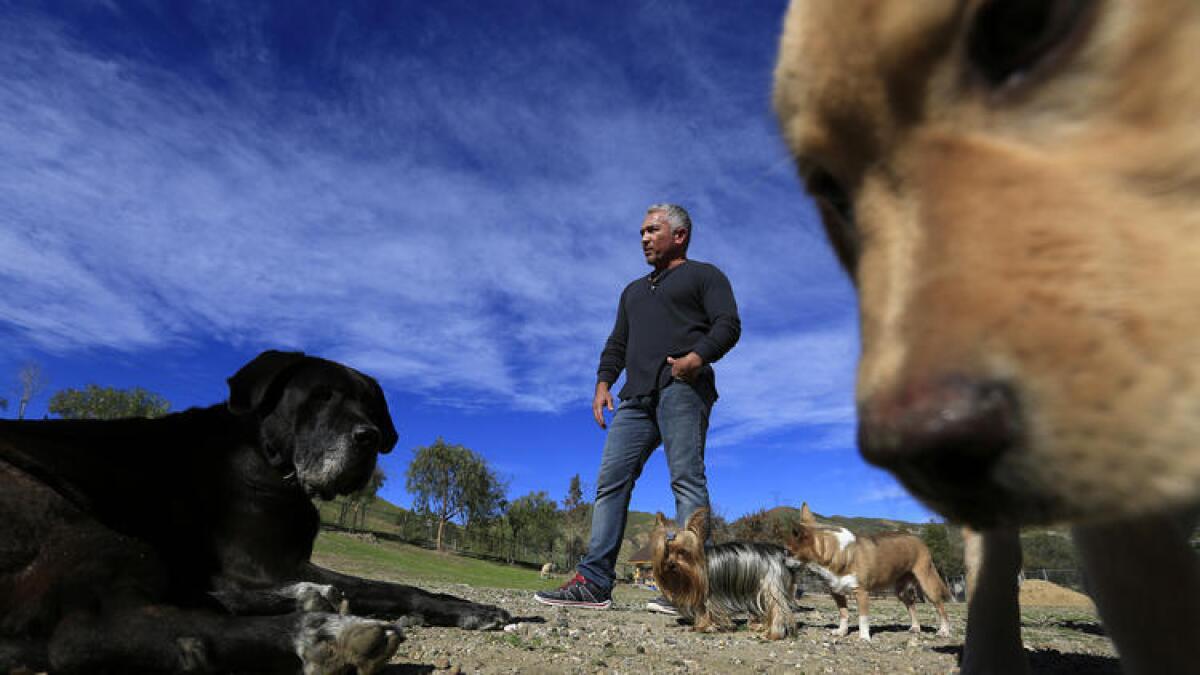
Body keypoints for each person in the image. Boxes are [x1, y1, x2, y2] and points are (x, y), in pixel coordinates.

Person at [534, 203, 741, 612]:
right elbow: (617, 344)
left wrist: (695, 359)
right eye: (642, 232)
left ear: (679, 235)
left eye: (652, 230)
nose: (644, 238)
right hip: (634, 397)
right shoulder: (632, 291)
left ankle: (697, 592)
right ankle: (593, 582)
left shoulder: (705, 276)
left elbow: (728, 324)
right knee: (611, 480)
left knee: (686, 481)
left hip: (682, 387)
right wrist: (603, 383)